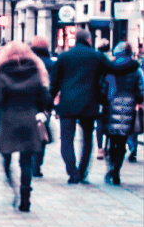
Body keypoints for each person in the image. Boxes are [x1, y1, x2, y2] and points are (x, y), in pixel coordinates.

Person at [0, 42, 52, 212]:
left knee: (6, 156)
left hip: (9, 121)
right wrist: (45, 111)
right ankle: (25, 197)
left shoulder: (3, 72)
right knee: (26, 161)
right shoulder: (36, 71)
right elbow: (46, 99)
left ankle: (12, 185)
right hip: (30, 121)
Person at [51, 28, 129, 184]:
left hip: (67, 103)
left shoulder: (64, 56)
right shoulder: (96, 56)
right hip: (89, 103)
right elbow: (115, 70)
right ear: (88, 40)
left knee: (66, 139)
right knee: (87, 139)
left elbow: (54, 83)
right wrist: (132, 63)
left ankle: (72, 172)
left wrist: (49, 103)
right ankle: (82, 171)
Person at [100, 42, 143, 185]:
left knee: (112, 141)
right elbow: (141, 91)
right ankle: (117, 170)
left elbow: (102, 88)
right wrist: (136, 99)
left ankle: (112, 167)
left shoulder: (110, 68)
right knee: (122, 141)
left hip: (112, 105)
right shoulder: (136, 70)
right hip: (129, 106)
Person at [30, 36, 57, 177]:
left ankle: (29, 162)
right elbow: (53, 84)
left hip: (28, 102)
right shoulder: (50, 63)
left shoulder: (27, 61)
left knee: (29, 132)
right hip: (43, 103)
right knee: (41, 132)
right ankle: (37, 165)